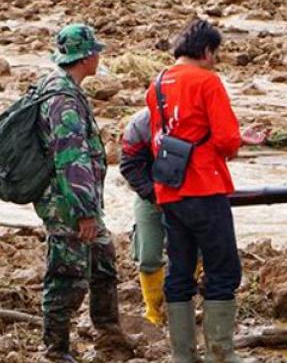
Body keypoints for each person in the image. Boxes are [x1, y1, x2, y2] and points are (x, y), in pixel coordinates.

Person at [33, 23, 135, 362]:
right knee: (66, 274)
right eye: (96, 52)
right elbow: (70, 157)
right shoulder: (63, 99)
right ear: (86, 57)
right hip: (66, 203)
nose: (99, 57)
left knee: (102, 259)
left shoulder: (61, 87)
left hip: (71, 199)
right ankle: (55, 350)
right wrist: (85, 212)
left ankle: (109, 334)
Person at [145, 19, 243, 363]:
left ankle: (182, 355)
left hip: (171, 189)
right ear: (205, 51)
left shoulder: (157, 82)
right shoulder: (207, 81)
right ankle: (221, 353)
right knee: (223, 270)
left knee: (180, 270)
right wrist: (238, 143)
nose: (215, 61)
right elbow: (227, 139)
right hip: (205, 185)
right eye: (215, 54)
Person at [119, 109, 266, 327]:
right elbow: (129, 165)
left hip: (189, 193)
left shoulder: (197, 116)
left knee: (194, 252)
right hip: (152, 196)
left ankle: (184, 311)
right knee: (148, 254)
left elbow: (213, 149)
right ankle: (153, 311)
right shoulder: (141, 123)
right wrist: (152, 194)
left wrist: (237, 140)